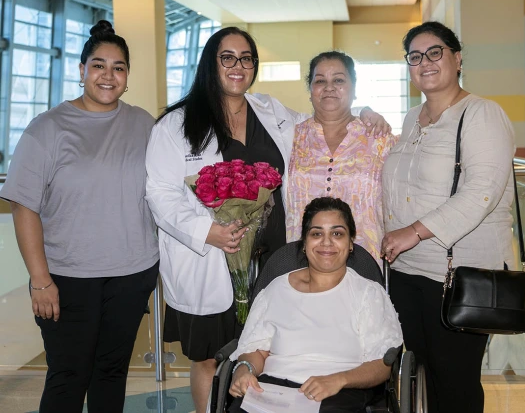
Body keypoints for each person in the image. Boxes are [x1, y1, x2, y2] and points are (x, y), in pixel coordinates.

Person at [145, 27, 387, 413]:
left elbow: (323, 117)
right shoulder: (175, 126)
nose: (238, 67)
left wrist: (365, 113)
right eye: (228, 58)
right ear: (210, 62)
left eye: (246, 58)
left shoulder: (270, 112)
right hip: (210, 260)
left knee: (266, 352)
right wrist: (209, 232)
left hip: (274, 264)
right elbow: (159, 193)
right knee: (210, 356)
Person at [0, 21, 159, 413]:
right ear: (81, 70)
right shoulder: (47, 129)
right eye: (98, 65)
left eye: (118, 67)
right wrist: (40, 281)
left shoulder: (143, 124)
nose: (108, 75)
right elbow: (24, 207)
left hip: (131, 274)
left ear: (127, 76)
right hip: (67, 279)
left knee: (111, 373)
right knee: (68, 376)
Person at [380, 21, 515, 413]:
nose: (425, 62)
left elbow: (482, 192)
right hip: (407, 271)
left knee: (454, 377)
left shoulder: (481, 113)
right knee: (422, 371)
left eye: (435, 52)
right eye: (415, 56)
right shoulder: (410, 118)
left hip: (458, 273)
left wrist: (416, 232)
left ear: (457, 58)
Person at [228, 197, 403, 412]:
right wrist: (244, 370)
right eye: (316, 233)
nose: (326, 242)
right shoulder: (275, 290)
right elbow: (255, 349)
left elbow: (382, 365)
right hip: (273, 390)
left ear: (350, 243)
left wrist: (338, 380)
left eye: (337, 233)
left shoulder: (368, 293)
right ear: (304, 243)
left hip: (339, 391)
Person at [286, 51, 397, 261]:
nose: (329, 87)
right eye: (320, 81)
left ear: (354, 89)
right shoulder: (290, 138)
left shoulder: (380, 139)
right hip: (300, 263)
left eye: (338, 80)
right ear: (310, 90)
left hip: (364, 263)